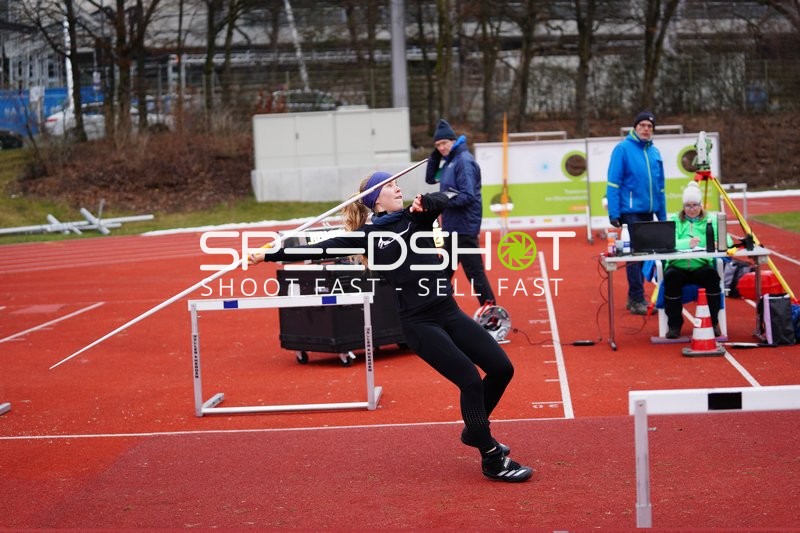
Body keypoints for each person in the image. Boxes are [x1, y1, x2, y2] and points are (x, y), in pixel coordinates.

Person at [249, 171, 533, 483]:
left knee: (502, 368)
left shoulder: (416, 217)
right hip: (419, 324)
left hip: (448, 312)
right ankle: (491, 458)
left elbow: (443, 201)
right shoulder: (366, 236)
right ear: (375, 201)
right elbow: (319, 248)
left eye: (397, 184)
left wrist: (425, 204)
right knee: (469, 380)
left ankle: (475, 430)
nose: (398, 188)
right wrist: (267, 254)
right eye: (390, 186)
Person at [425, 119, 496, 309]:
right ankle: (435, 309)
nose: (440, 147)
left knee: (474, 273)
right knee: (443, 271)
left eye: (443, 143)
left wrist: (439, 203)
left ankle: (493, 314)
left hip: (464, 227)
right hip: (452, 227)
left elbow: (468, 195)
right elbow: (430, 178)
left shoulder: (463, 161)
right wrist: (434, 157)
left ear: (453, 141)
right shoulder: (449, 161)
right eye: (437, 145)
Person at [606, 110, 667, 315]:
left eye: (649, 126)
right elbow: (613, 182)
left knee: (645, 255)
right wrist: (614, 212)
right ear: (635, 127)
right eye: (642, 125)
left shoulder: (655, 152)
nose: (646, 129)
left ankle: (635, 296)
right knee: (635, 256)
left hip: (649, 211)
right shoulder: (622, 149)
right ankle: (636, 298)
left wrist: (663, 214)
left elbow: (660, 187)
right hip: (630, 211)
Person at [663, 181, 731, 339]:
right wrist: (687, 243)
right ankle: (674, 325)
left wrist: (716, 243)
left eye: (695, 205)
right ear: (683, 206)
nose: (691, 209)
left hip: (701, 265)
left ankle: (713, 322)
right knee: (671, 278)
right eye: (688, 205)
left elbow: (726, 241)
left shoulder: (711, 219)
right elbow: (667, 243)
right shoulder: (674, 220)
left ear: (701, 205)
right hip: (678, 266)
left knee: (713, 277)